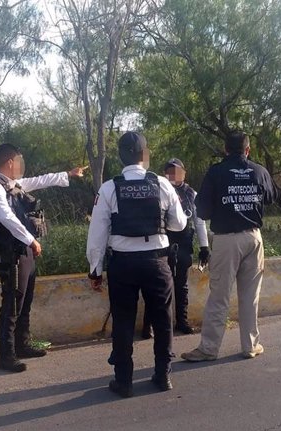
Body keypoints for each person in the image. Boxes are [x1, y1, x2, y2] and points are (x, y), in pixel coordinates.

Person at [86, 132, 187, 398]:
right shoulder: (162, 184)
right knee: (163, 319)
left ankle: (124, 381)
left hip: (123, 265)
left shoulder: (109, 188)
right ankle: (163, 375)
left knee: (123, 321)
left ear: (120, 156)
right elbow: (179, 224)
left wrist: (95, 270)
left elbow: (97, 235)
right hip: (157, 262)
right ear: (144, 155)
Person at [181, 131, 281, 362]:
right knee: (250, 295)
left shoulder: (216, 172)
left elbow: (201, 211)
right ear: (248, 150)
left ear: (225, 149)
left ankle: (209, 349)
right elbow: (272, 197)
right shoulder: (260, 171)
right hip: (254, 237)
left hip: (226, 240)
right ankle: (250, 345)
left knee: (219, 296)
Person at [0, 143, 86, 372]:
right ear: (9, 163)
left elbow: (39, 181)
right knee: (12, 302)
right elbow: (6, 217)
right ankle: (6, 355)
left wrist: (67, 175)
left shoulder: (10, 184)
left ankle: (22, 344)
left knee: (25, 300)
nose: (22, 168)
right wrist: (31, 239)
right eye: (20, 162)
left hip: (22, 249)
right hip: (9, 252)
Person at [141, 158, 210, 339]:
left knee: (181, 286)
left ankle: (182, 321)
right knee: (157, 286)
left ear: (184, 173)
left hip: (184, 245)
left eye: (177, 171)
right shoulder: (159, 190)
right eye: (169, 171)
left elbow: (199, 221)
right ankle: (149, 325)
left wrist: (204, 247)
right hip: (162, 245)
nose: (173, 174)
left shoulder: (191, 193)